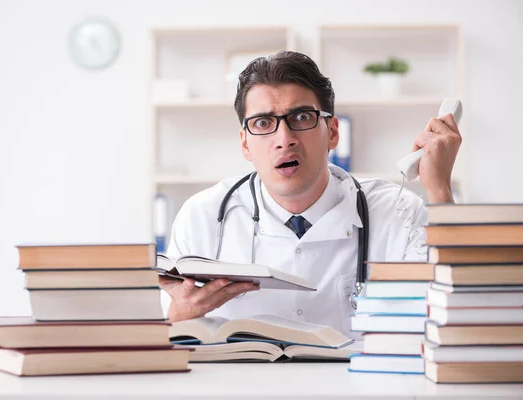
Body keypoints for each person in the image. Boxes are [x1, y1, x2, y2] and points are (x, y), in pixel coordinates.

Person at [159, 50, 461, 336]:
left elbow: (454, 314)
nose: (284, 139)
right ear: (245, 144)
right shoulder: (202, 216)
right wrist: (182, 314)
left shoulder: (398, 212)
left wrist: (439, 189)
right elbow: (170, 334)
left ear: (332, 132)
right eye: (263, 123)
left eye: (301, 117)